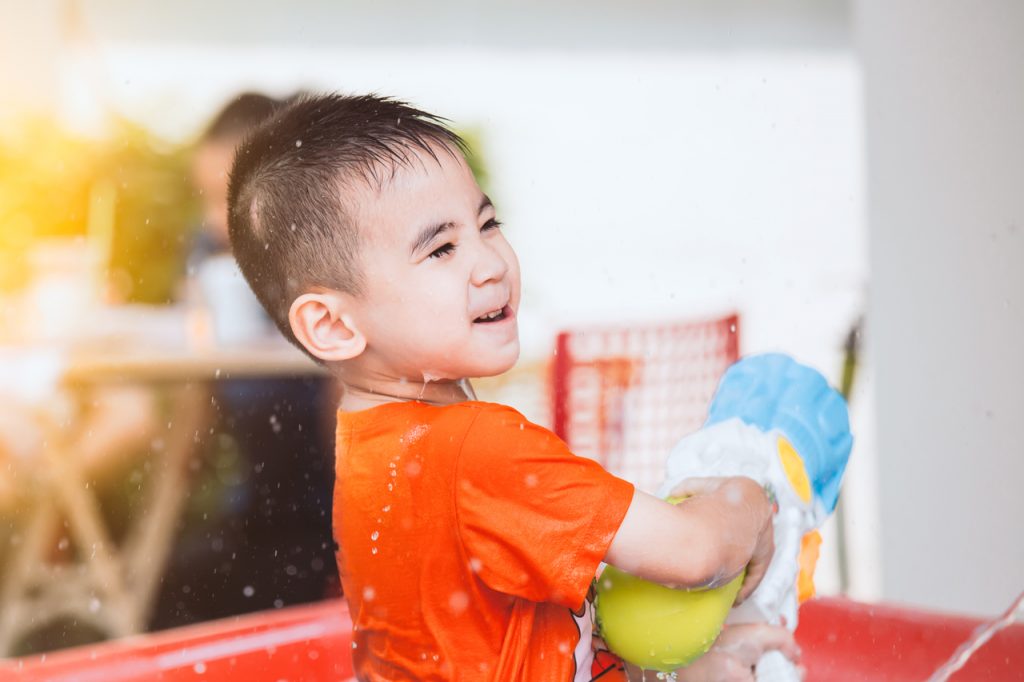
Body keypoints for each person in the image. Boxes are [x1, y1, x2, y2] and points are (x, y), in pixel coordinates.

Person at [226, 93, 799, 681]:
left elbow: (511, 630)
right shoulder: (477, 449)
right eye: (442, 248)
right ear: (334, 325)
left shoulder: (375, 442)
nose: (491, 263)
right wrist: (753, 497)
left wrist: (696, 656)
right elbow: (695, 553)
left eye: (488, 224)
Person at [150, 93, 340, 629]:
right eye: (205, 200)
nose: (215, 221)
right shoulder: (209, 255)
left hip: (322, 519)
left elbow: (348, 425)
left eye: (228, 200)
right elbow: (194, 402)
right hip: (252, 510)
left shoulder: (322, 265)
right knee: (166, 585)